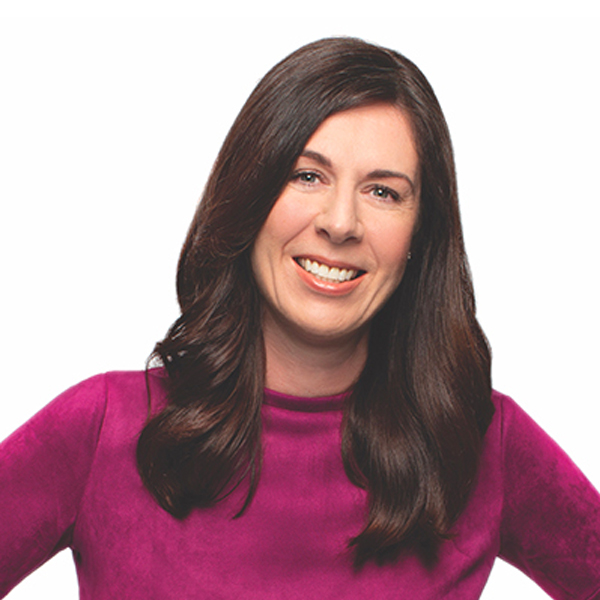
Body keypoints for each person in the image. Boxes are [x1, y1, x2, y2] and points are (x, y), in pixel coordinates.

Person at [0, 36, 599, 599]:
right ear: (250, 197)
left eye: (383, 192)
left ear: (420, 233)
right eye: (306, 176)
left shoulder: (483, 442)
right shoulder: (101, 428)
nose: (340, 223)